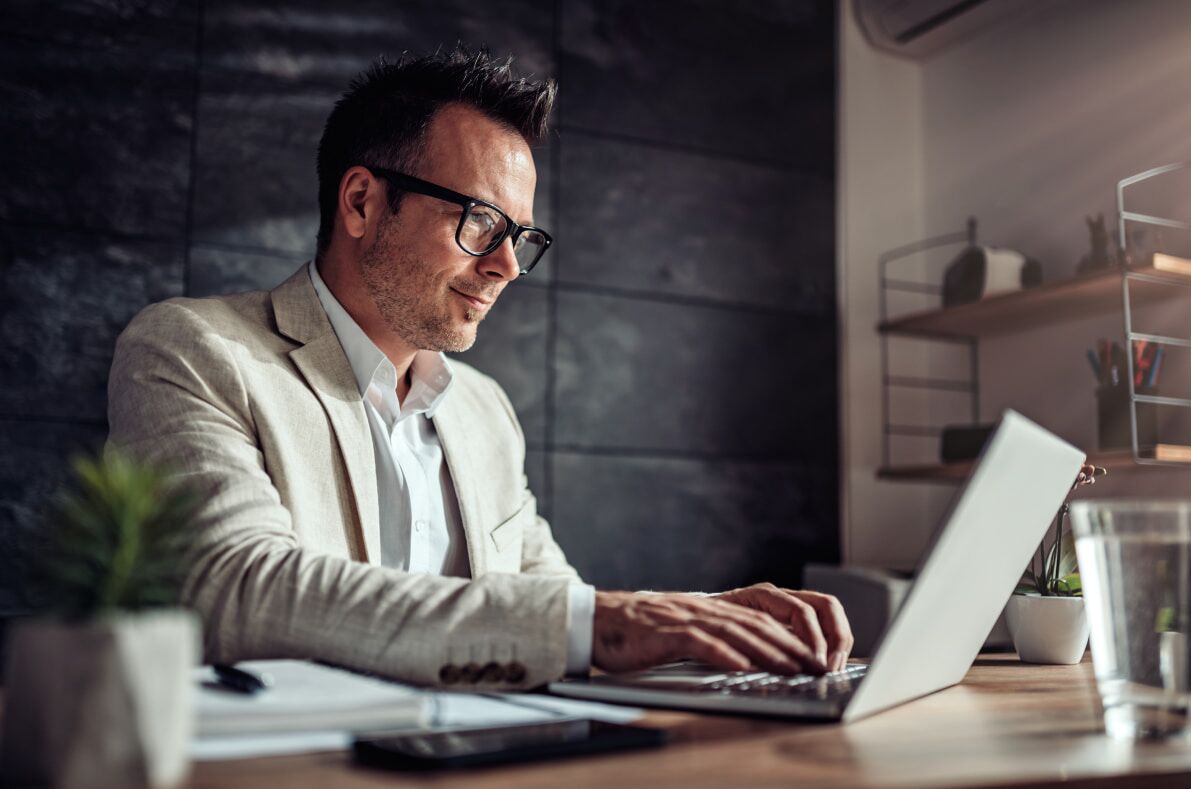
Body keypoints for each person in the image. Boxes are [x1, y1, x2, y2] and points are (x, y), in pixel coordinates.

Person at [107, 47, 853, 689]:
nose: (506, 266)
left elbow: (551, 603)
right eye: (479, 223)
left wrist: (709, 620)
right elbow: (236, 591)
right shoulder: (192, 349)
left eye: (520, 235)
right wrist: (620, 622)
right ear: (363, 202)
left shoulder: (483, 409)